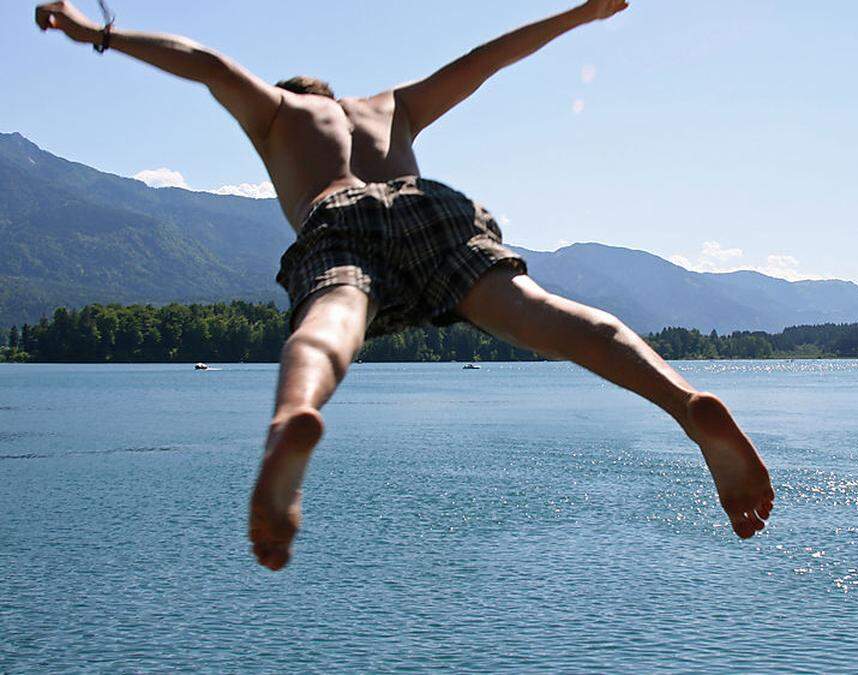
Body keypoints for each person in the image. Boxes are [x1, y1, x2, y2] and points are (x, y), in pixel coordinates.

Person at [36, 0, 775, 571]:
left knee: (328, 321)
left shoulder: (281, 111)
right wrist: (581, 13)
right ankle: (685, 402)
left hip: (340, 216)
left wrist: (93, 32)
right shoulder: (390, 105)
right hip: (432, 207)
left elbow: (203, 60)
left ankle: (293, 417)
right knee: (547, 315)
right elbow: (486, 59)